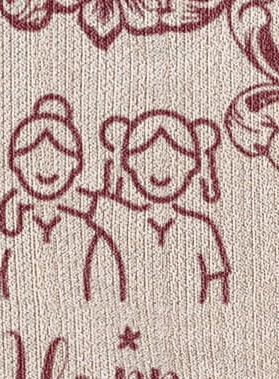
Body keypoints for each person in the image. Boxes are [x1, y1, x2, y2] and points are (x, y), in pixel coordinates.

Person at [0, 94, 126, 306]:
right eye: (33, 156)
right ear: (17, 163)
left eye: (60, 157)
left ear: (75, 165)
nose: (46, 168)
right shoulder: (5, 227)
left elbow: (107, 288)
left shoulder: (88, 232)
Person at [96, 110, 231, 304]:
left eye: (176, 161)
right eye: (145, 161)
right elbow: (101, 275)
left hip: (193, 317)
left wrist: (214, 314)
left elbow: (216, 278)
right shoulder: (121, 223)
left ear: (192, 168)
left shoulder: (200, 227)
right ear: (130, 167)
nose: (160, 173)